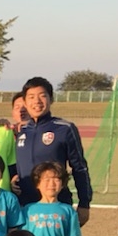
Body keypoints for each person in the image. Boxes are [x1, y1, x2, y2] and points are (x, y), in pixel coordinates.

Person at [14, 77, 92, 226]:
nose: (37, 101)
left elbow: (79, 167)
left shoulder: (65, 128)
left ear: (51, 99)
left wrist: (84, 203)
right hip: (25, 207)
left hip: (56, 204)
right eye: (31, 97)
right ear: (24, 102)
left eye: (42, 95)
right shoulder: (21, 131)